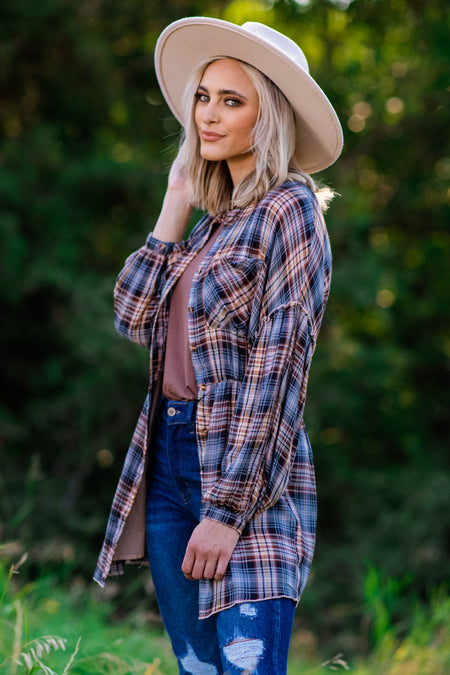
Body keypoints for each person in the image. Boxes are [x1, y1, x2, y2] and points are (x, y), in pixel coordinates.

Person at [94, 17, 343, 675]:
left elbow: (278, 366)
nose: (207, 114)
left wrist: (229, 510)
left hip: (244, 469)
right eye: (204, 96)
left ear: (271, 117)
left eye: (232, 101)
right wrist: (176, 200)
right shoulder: (208, 227)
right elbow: (131, 315)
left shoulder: (290, 209)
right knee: (198, 671)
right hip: (171, 459)